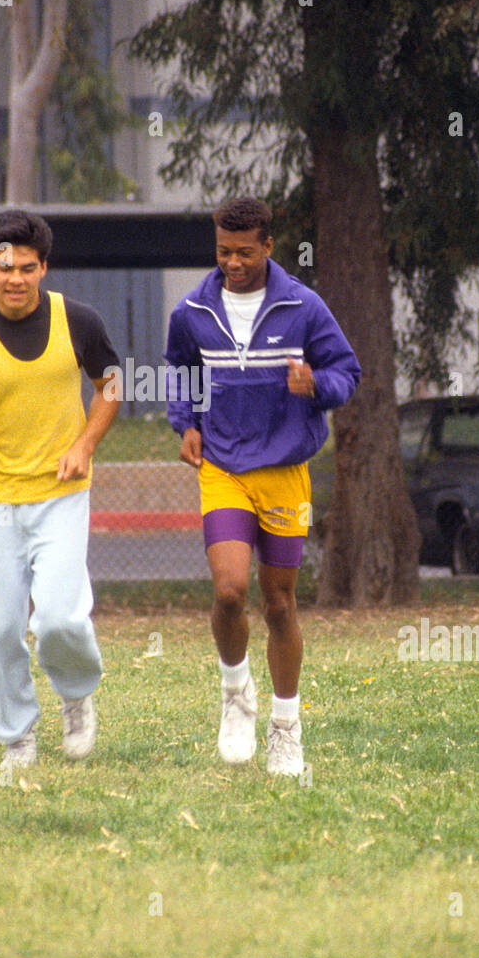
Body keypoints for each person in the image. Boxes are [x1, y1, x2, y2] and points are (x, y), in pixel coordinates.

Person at [165, 197, 361, 776]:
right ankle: (234, 694)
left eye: (245, 253)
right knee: (229, 591)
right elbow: (180, 367)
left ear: (269, 246)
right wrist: (187, 423)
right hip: (223, 466)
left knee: (278, 603)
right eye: (223, 252)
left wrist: (315, 383)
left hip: (284, 471)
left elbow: (347, 374)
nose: (233, 263)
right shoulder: (194, 309)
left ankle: (286, 727)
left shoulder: (304, 305)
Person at [0, 209, 120, 778]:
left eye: (28, 268)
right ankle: (17, 738)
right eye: (5, 267)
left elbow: (112, 385)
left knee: (60, 618)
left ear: (44, 268)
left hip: (62, 492)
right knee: (0, 628)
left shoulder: (77, 321)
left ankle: (76, 694)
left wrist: (85, 444)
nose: (16, 278)